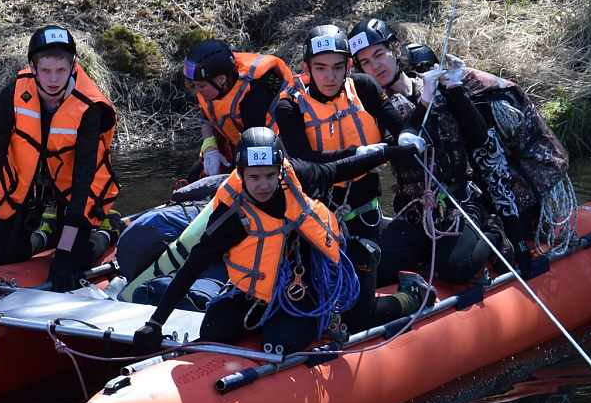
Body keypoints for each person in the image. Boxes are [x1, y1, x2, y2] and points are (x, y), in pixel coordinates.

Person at [133, 128, 431, 357]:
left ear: (280, 171)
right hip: (254, 289)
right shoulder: (230, 215)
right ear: (240, 174)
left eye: (269, 176)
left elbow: (340, 168)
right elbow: (193, 264)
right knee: (214, 330)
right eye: (254, 177)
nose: (263, 185)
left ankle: (411, 295)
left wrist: (391, 152)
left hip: (305, 283)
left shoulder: (297, 175)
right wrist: (156, 323)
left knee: (280, 342)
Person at [350, 19, 570, 283]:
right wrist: (424, 102)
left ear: (396, 51)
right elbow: (403, 140)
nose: (375, 66)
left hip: (459, 202)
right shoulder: (372, 109)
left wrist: (455, 89)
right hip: (414, 209)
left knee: (455, 267)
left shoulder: (434, 85)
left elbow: (479, 138)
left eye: (379, 55)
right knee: (380, 270)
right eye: (365, 62)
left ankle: (492, 233)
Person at [272, 24, 424, 292]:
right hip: (317, 209)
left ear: (349, 65)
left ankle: (409, 294)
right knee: (318, 283)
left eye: (337, 67)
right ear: (306, 68)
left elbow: (400, 124)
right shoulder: (289, 107)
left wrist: (408, 136)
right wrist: (359, 154)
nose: (329, 76)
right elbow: (305, 160)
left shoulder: (364, 87)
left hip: (364, 208)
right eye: (320, 68)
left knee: (364, 277)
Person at [0, 26, 120, 292]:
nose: (53, 79)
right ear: (33, 67)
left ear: (72, 67)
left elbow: (82, 181)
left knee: (75, 263)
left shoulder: (89, 107)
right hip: (28, 184)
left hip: (72, 188)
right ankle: (46, 234)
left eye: (61, 70)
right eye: (46, 71)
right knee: (3, 258)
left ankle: (108, 229)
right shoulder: (11, 96)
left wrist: (65, 254)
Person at [181, 39, 294, 181]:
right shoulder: (210, 85)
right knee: (194, 177)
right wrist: (209, 147)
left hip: (270, 144)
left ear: (221, 79)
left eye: (201, 86)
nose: (197, 91)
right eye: (194, 85)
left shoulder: (254, 94)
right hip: (239, 140)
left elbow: (255, 148)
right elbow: (207, 119)